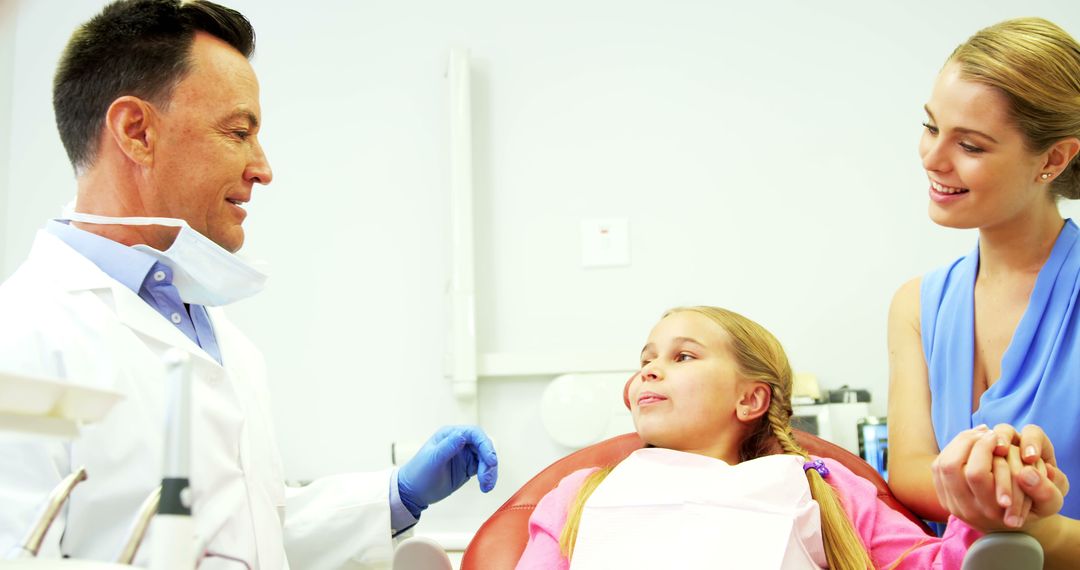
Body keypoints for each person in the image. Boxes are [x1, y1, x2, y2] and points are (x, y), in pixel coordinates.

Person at [0, 1, 496, 567]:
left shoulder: (217, 338)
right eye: (238, 132)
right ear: (137, 132)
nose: (262, 167)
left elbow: (245, 532)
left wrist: (393, 497)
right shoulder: (21, 336)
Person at [515, 306, 1026, 570]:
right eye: (646, 359)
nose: (649, 370)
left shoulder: (823, 488)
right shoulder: (580, 493)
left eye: (683, 356)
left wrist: (977, 518)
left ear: (750, 400)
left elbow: (924, 565)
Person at [886, 16, 1077, 569]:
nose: (933, 158)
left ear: (1053, 159)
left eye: (969, 144)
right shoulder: (916, 306)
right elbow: (910, 470)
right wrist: (1007, 487)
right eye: (930, 127)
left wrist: (1041, 528)